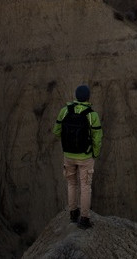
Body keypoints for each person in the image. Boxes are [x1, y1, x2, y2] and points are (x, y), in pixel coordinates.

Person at [53, 84, 103, 229]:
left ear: (76, 96)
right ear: (88, 97)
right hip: (85, 156)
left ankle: (73, 213)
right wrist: (95, 153)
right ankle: (84, 219)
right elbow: (97, 138)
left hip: (68, 155)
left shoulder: (64, 111)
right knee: (85, 186)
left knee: (71, 184)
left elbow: (56, 131)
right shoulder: (91, 115)